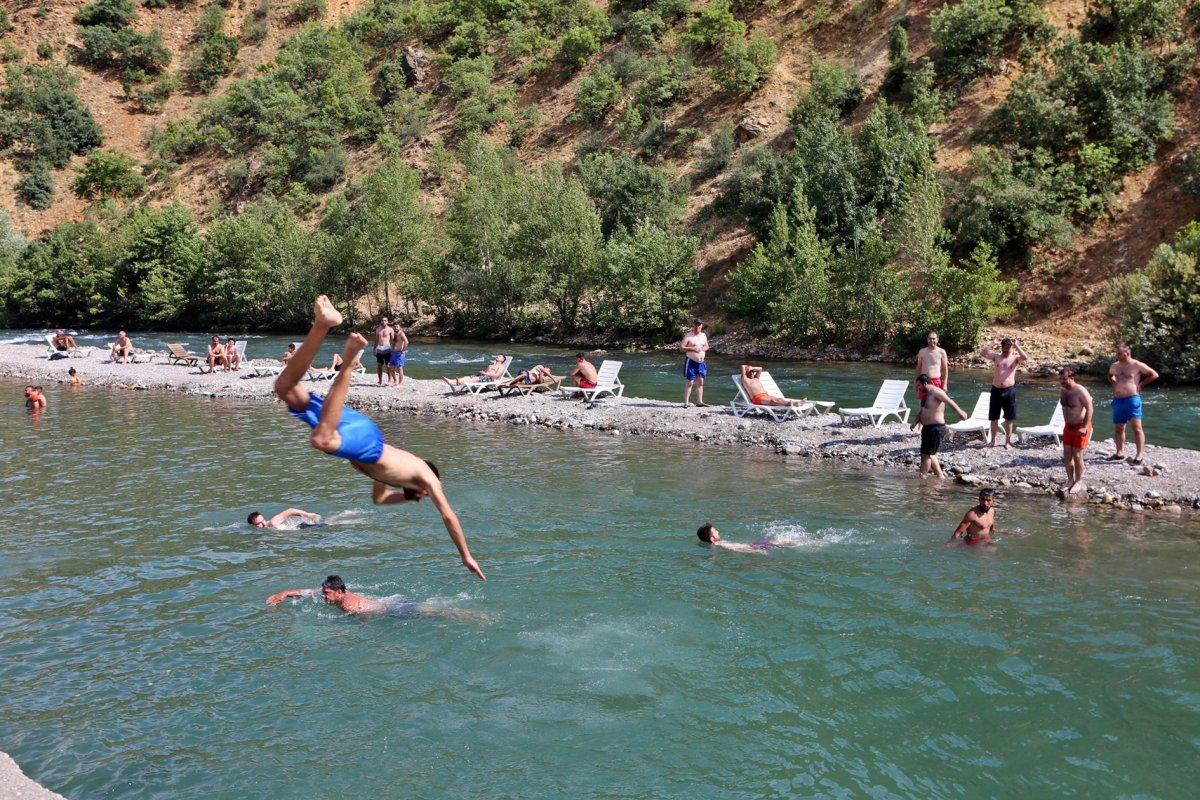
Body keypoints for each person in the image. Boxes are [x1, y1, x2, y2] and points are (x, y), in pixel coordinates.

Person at [275, 296, 484, 580]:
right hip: (365, 441)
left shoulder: (394, 475)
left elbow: (380, 498)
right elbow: (448, 515)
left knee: (285, 387)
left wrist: (406, 498)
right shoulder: (427, 477)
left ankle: (322, 325)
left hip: (357, 432)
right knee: (321, 440)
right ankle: (349, 362)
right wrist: (466, 556)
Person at [267, 575, 485, 620]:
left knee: (433, 613)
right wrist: (282, 594)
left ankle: (470, 615)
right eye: (323, 593)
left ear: (340, 592)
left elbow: (364, 618)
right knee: (431, 610)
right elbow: (304, 592)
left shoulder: (348, 605)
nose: (323, 596)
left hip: (392, 610)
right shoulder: (332, 596)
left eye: (327, 593)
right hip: (388, 603)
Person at [1107, 344, 1158, 465]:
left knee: (1137, 427)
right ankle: (1119, 452)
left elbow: (1154, 374)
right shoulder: (1115, 366)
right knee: (1119, 427)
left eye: (1119, 353)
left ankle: (1139, 455)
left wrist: (1141, 384)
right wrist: (1114, 383)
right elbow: (1109, 375)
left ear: (1127, 353)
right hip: (1118, 400)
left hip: (1132, 399)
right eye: (1116, 353)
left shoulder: (1137, 365)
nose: (1117, 355)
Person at [911, 373, 969, 478]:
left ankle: (922, 478)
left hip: (936, 428)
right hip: (927, 428)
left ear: (925, 383)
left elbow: (949, 401)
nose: (917, 388)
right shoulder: (926, 395)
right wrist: (915, 421)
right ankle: (940, 476)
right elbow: (923, 410)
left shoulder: (936, 392)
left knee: (925, 455)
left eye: (919, 385)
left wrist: (960, 412)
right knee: (929, 453)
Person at [981, 337, 1028, 449]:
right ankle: (992, 441)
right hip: (996, 390)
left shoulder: (1015, 359)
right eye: (1004, 348)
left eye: (1008, 348)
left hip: (1009, 390)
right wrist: (993, 343)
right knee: (993, 417)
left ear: (1011, 348)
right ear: (1001, 347)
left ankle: (1007, 442)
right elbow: (983, 353)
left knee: (1009, 418)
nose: (1005, 350)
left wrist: (1016, 345)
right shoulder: (997, 357)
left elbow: (1025, 357)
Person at [1059, 367, 1094, 495]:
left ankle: (1078, 481)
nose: (1061, 381)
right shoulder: (1063, 390)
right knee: (1067, 454)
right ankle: (1070, 480)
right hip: (1068, 426)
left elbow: (1090, 409)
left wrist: (1084, 427)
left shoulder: (1080, 391)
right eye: (1060, 379)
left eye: (1064, 379)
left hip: (1081, 426)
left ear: (1072, 378)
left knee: (1077, 455)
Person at [740, 364, 807, 408]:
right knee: (773, 401)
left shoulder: (756, 378)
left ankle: (795, 403)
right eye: (750, 372)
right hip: (757, 398)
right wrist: (748, 368)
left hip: (765, 395)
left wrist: (752, 368)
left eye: (753, 371)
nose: (752, 373)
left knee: (779, 399)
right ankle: (794, 404)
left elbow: (760, 368)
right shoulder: (745, 380)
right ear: (747, 373)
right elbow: (742, 366)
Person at [681, 318, 709, 407]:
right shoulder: (688, 336)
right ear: (693, 325)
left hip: (701, 362)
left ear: (701, 326)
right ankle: (686, 403)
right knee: (690, 382)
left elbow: (707, 346)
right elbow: (681, 348)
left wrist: (703, 348)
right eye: (695, 325)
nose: (697, 326)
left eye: (699, 325)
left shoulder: (703, 335)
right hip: (691, 361)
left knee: (700, 381)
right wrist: (693, 348)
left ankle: (699, 402)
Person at [695, 523, 777, 553]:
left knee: (777, 542)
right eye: (715, 531)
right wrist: (754, 551)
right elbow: (735, 548)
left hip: (751, 545)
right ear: (712, 539)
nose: (718, 531)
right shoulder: (720, 544)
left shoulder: (718, 543)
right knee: (778, 542)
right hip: (753, 547)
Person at [914, 331, 949, 401]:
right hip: (923, 382)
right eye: (930, 338)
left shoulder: (942, 352)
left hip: (936, 382)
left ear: (937, 340)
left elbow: (945, 369)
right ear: (927, 339)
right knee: (923, 403)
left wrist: (945, 384)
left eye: (933, 339)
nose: (932, 340)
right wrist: (916, 382)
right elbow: (918, 367)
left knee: (935, 403)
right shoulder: (922, 352)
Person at [443, 355, 507, 388]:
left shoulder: (501, 367)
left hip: (490, 379)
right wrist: (479, 374)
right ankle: (452, 381)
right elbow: (484, 373)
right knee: (469, 377)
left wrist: (485, 374)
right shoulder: (491, 365)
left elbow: (496, 376)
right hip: (483, 377)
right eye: (498, 355)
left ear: (502, 360)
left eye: (499, 356)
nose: (497, 356)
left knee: (473, 379)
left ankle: (454, 382)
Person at [373, 317, 396, 386]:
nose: (383, 322)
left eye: (385, 320)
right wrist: (374, 349)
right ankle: (380, 381)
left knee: (388, 366)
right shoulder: (378, 329)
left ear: (387, 322)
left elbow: (393, 340)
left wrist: (393, 349)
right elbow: (376, 339)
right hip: (379, 349)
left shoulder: (390, 329)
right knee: (379, 366)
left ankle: (389, 380)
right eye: (382, 320)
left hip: (387, 348)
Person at [248, 508, 321, 529]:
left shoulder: (273, 522)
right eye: (259, 524)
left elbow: (290, 511)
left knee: (325, 525)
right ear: (253, 526)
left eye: (263, 520)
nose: (263, 524)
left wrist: (308, 514)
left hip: (304, 527)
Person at [387, 321, 409, 387]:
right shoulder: (395, 334)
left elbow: (406, 342)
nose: (396, 328)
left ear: (400, 327)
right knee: (391, 367)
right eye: (395, 327)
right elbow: (393, 343)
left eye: (397, 327)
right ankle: (395, 381)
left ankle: (400, 383)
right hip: (394, 353)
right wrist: (391, 350)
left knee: (400, 368)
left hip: (399, 354)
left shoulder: (401, 334)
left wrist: (403, 350)